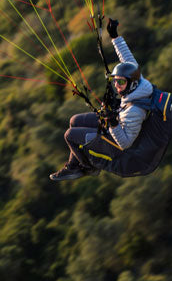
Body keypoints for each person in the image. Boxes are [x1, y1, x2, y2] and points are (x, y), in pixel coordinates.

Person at [50, 18, 154, 181]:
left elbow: (125, 143)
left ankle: (87, 168)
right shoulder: (138, 80)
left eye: (120, 82)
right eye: (115, 81)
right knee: (75, 120)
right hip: (118, 122)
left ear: (130, 84)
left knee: (70, 135)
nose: (117, 85)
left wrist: (112, 122)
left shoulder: (135, 110)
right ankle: (73, 166)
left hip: (116, 145)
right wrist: (114, 36)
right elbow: (127, 59)